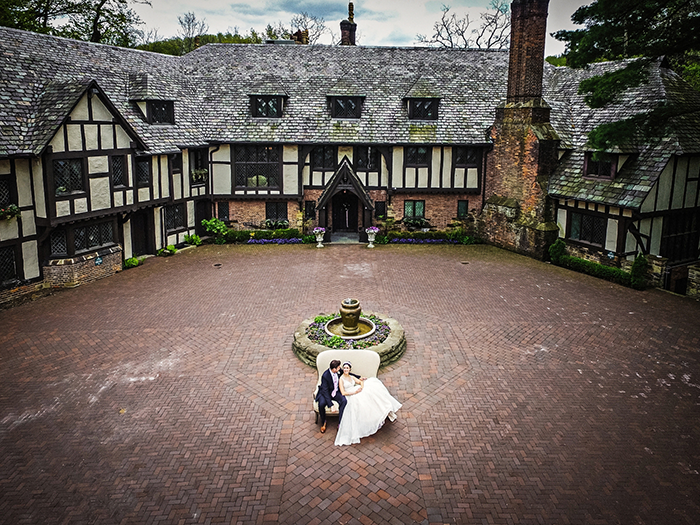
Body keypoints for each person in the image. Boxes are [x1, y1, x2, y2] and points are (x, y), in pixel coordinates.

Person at [335, 361, 402, 446]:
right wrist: (355, 392)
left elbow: (360, 382)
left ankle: (384, 410)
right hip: (351, 394)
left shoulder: (351, 377)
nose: (345, 369)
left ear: (350, 369)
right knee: (361, 401)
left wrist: (361, 388)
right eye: (344, 368)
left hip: (357, 390)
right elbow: (343, 393)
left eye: (347, 368)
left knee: (372, 389)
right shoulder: (341, 379)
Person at [316, 359, 346, 434]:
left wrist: (358, 378)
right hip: (326, 393)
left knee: (344, 401)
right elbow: (325, 392)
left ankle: (340, 423)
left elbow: (347, 374)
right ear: (334, 369)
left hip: (335, 392)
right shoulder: (325, 376)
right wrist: (331, 405)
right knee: (321, 404)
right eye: (339, 367)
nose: (340, 368)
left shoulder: (338, 371)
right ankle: (323, 422)